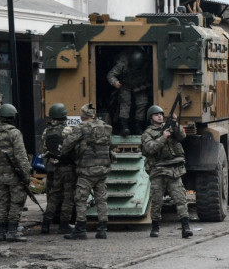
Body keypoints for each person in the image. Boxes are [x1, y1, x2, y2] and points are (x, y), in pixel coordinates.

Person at [141, 105, 193, 239]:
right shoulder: (147, 133)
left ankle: (186, 227)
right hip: (158, 170)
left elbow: (182, 136)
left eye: (161, 114)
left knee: (180, 199)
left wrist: (175, 123)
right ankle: (155, 227)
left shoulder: (170, 127)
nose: (159, 116)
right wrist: (163, 137)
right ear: (150, 117)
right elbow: (150, 148)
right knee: (157, 201)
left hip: (174, 168)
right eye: (156, 114)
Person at [62, 103, 112, 240]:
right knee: (101, 199)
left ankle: (80, 229)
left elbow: (66, 146)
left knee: (81, 199)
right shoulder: (105, 127)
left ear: (82, 116)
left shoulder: (81, 128)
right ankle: (102, 230)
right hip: (102, 169)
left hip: (86, 170)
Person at [0, 104, 30, 242]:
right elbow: (21, 156)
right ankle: (12, 231)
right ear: (12, 117)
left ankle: (0, 232)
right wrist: (26, 175)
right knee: (16, 202)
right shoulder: (14, 133)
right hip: (14, 175)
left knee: (2, 202)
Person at [40, 103, 76, 235]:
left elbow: (44, 150)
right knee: (68, 197)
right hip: (67, 168)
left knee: (53, 196)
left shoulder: (46, 131)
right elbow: (74, 149)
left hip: (53, 169)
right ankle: (64, 225)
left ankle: (45, 225)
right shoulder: (68, 130)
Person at [107, 47, 151, 136]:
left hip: (141, 86)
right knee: (125, 103)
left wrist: (141, 87)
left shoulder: (147, 64)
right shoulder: (122, 64)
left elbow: (152, 80)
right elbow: (110, 75)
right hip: (125, 85)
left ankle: (138, 126)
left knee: (142, 103)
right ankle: (124, 127)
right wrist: (115, 82)